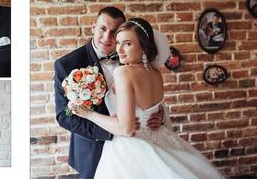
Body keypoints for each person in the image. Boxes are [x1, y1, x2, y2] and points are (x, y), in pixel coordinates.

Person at [74, 18, 226, 179]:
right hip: (160, 138)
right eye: (118, 43)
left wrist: (88, 114)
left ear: (144, 47)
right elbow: (152, 109)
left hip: (130, 148)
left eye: (127, 44)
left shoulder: (123, 72)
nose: (119, 49)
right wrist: (159, 116)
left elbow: (126, 128)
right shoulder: (156, 74)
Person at [54, 7, 167, 179]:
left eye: (114, 32)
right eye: (102, 29)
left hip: (139, 148)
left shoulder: (132, 58)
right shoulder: (67, 64)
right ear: (93, 27)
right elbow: (64, 115)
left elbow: (149, 101)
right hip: (92, 149)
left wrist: (159, 117)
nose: (107, 37)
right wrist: (111, 131)